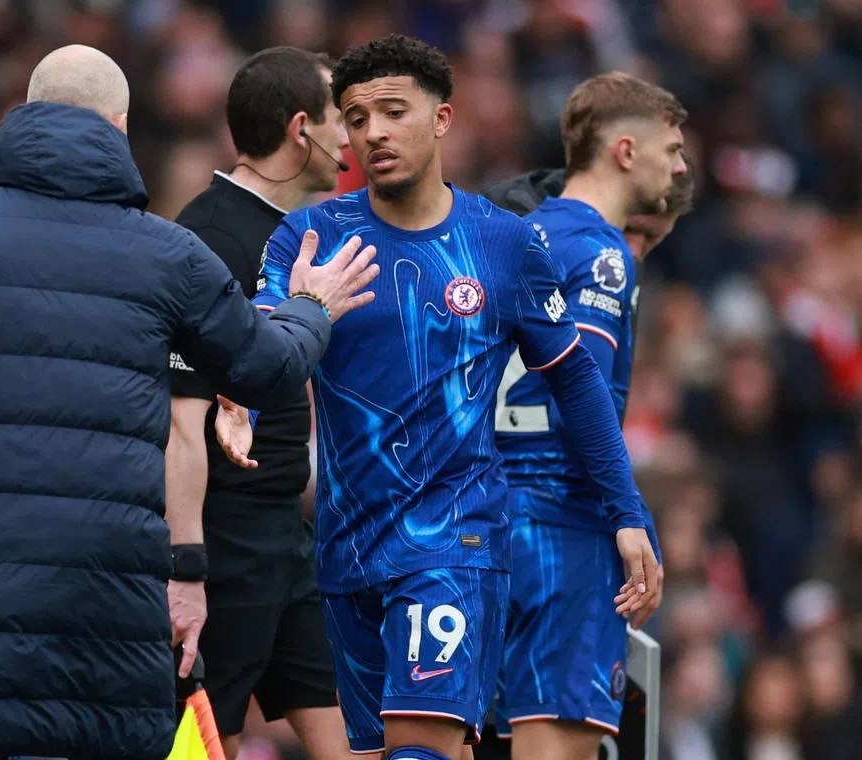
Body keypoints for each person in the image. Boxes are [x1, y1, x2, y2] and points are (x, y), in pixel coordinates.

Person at [0, 44, 379, 760]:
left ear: (24, 116)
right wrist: (309, 307)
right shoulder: (168, 253)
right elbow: (267, 370)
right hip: (107, 612)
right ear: (119, 127)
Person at [215, 35, 661, 760]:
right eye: (356, 118)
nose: (373, 133)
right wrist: (244, 404)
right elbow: (265, 337)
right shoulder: (311, 235)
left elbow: (577, 380)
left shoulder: (504, 244)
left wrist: (626, 511)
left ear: (443, 118)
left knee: (420, 747)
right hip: (347, 545)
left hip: (455, 538)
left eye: (394, 112)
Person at [483, 72, 689, 760]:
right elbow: (580, 393)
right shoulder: (601, 253)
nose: (680, 167)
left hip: (482, 521)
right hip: (561, 526)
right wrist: (629, 513)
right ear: (625, 151)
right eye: (672, 149)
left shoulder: (510, 236)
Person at [165, 47, 354, 760]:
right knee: (213, 742)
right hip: (228, 542)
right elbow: (180, 421)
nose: (350, 137)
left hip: (286, 538)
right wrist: (188, 565)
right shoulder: (207, 239)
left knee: (352, 736)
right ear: (301, 128)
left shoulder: (302, 230)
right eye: (339, 118)